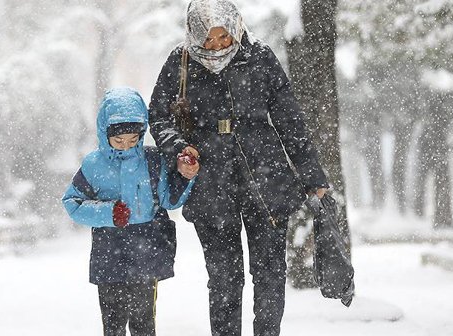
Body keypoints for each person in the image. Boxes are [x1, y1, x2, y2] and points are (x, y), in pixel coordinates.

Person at [148, 0, 328, 335]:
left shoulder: (258, 56)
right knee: (223, 279)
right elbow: (158, 116)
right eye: (208, 40)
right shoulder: (180, 61)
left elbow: (289, 119)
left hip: (266, 178)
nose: (216, 46)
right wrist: (179, 148)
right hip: (209, 184)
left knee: (270, 272)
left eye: (223, 37)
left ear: (235, 27)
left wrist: (312, 175)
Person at [62, 87, 196, 336]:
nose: (126, 146)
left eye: (134, 140)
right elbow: (72, 203)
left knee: (144, 322)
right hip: (109, 251)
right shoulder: (93, 165)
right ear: (105, 133)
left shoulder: (153, 160)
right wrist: (108, 213)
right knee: (112, 324)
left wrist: (186, 178)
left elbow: (168, 200)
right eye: (119, 141)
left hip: (147, 250)